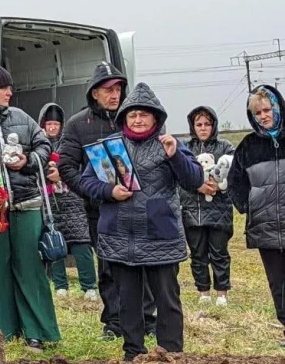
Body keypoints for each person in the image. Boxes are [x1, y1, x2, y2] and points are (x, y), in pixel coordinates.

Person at [79, 82, 203, 362]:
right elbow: (86, 181)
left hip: (160, 235)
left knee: (167, 300)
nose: (137, 120)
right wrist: (109, 191)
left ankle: (171, 353)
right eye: (132, 115)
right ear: (124, 117)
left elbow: (194, 180)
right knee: (128, 301)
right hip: (120, 235)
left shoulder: (168, 144)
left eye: (143, 115)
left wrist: (175, 157)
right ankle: (133, 352)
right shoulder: (111, 148)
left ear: (155, 118)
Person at [57, 62, 156, 339]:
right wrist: (96, 192)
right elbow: (67, 168)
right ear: (94, 93)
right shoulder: (77, 125)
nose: (114, 95)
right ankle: (114, 323)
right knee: (110, 267)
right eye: (107, 89)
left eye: (118, 88)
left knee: (143, 263)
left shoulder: (133, 118)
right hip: (100, 210)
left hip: (139, 206)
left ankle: (147, 321)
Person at [0, 64, 61, 353]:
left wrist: (28, 161)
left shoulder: (22, 118)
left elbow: (44, 146)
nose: (10, 92)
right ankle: (4, 331)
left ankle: (37, 332)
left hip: (26, 206)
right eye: (3, 87)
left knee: (30, 267)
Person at [227, 85, 285, 346]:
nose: (264, 115)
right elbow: (234, 183)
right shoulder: (248, 146)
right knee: (277, 286)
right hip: (266, 228)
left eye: (267, 109)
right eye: (258, 112)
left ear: (277, 106)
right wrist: (250, 207)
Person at [39, 102, 98, 300]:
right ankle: (60, 285)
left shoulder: (70, 142)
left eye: (56, 124)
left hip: (73, 198)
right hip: (49, 200)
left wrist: (62, 177)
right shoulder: (39, 144)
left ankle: (89, 286)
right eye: (49, 124)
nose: (53, 127)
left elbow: (80, 168)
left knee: (81, 242)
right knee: (54, 241)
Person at [180, 106, 235, 306]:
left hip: (219, 210)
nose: (203, 128)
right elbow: (180, 177)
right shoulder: (185, 149)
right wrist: (198, 186)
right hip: (192, 211)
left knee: (219, 253)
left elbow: (235, 174)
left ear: (214, 125)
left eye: (207, 124)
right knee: (197, 254)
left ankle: (222, 293)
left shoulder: (226, 147)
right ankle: (203, 292)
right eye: (199, 124)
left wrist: (219, 187)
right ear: (193, 126)